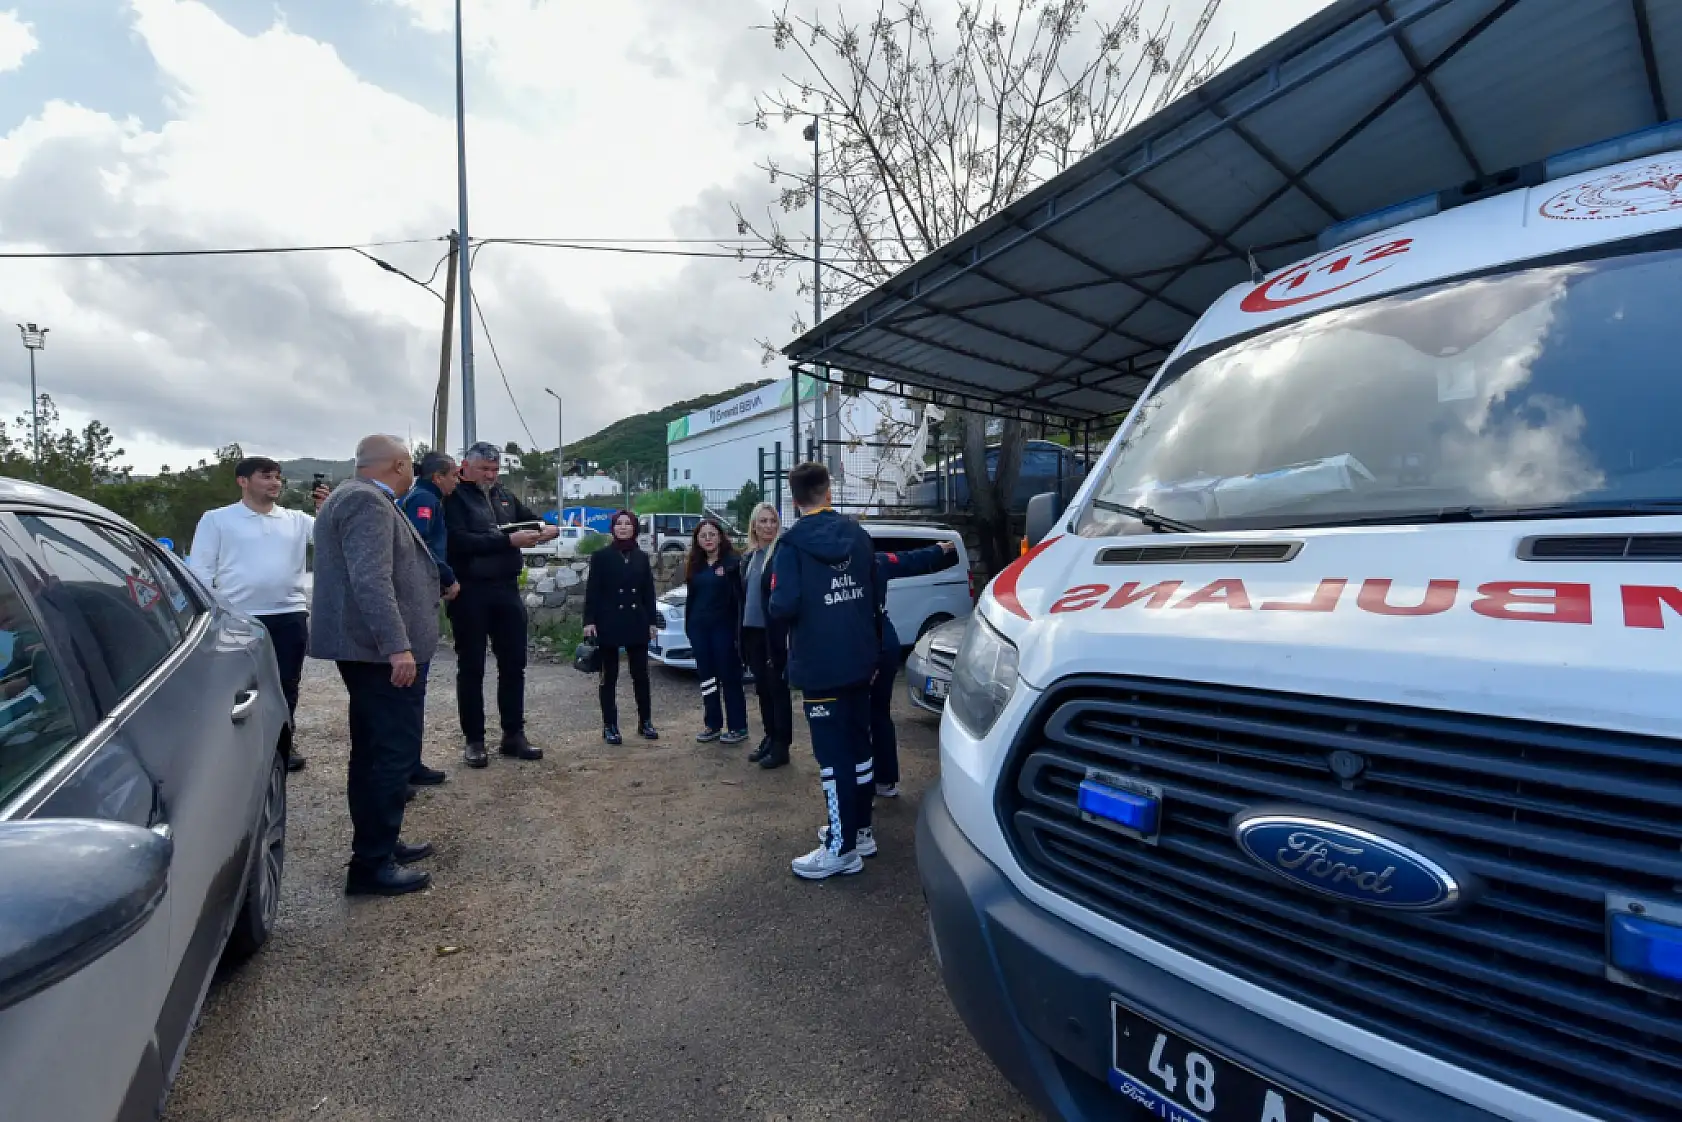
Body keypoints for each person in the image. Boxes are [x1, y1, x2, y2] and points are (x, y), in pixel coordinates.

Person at [308, 435, 440, 897]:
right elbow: (371, 580)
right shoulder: (368, 502)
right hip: (377, 654)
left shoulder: (351, 496)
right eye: (411, 466)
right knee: (390, 753)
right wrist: (397, 647)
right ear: (399, 465)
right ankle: (372, 863)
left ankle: (380, 843)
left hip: (366, 652)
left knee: (372, 751)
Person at [768, 462, 880, 880]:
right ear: (828, 490)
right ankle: (861, 829)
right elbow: (875, 592)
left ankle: (841, 847)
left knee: (833, 759)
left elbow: (783, 606)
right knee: (859, 749)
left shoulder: (792, 545)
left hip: (820, 664)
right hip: (860, 659)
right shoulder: (858, 535)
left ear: (794, 499)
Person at [189, 456, 328, 773]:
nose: (275, 483)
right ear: (243, 481)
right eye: (266, 476)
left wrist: (324, 510)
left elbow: (330, 540)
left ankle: (282, 741)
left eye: (278, 477)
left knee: (285, 684)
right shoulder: (217, 520)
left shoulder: (295, 520)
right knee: (240, 687)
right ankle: (235, 748)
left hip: (289, 613)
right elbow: (200, 571)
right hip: (239, 616)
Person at [443, 442, 558, 768]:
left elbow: (532, 520)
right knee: (472, 668)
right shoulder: (453, 497)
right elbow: (457, 541)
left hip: (507, 589)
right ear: (466, 466)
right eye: (485, 470)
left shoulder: (503, 495)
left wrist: (547, 529)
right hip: (470, 591)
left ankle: (513, 734)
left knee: (513, 665)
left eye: (495, 470)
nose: (491, 476)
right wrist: (507, 541)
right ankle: (475, 741)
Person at [868, 539, 960, 798]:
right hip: (886, 643)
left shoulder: (848, 565)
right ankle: (885, 781)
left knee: (861, 719)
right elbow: (912, 559)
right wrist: (940, 549)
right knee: (880, 715)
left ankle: (866, 788)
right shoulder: (879, 560)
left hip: (869, 647)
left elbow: (910, 558)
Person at [395, 450, 464, 790]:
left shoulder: (425, 496)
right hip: (417, 598)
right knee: (407, 694)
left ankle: (410, 763)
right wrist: (448, 577)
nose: (457, 481)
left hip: (421, 596)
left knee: (414, 693)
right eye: (453, 475)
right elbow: (421, 547)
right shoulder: (424, 499)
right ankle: (401, 772)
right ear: (438, 476)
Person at [582, 510, 659, 745]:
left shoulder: (641, 557)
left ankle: (645, 721)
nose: (623, 527)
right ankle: (610, 725)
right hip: (609, 622)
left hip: (636, 620)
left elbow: (648, 592)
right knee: (609, 677)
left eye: (628, 524)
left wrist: (652, 622)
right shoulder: (601, 556)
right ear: (612, 528)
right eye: (619, 524)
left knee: (641, 675)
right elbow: (592, 591)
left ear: (635, 528)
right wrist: (589, 621)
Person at [684, 517, 748, 744]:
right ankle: (712, 724)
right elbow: (691, 598)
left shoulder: (733, 563)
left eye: (712, 534)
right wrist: (689, 626)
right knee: (707, 679)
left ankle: (738, 727)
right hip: (700, 630)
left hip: (724, 630)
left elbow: (740, 598)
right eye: (703, 536)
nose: (708, 539)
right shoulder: (695, 565)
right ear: (697, 540)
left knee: (730, 677)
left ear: (720, 536)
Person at [738, 502, 792, 769]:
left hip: (774, 634)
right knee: (762, 689)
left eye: (773, 521)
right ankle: (770, 737)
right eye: (763, 521)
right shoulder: (749, 558)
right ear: (754, 526)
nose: (769, 526)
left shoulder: (781, 554)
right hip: (752, 632)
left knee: (777, 689)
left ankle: (782, 745)